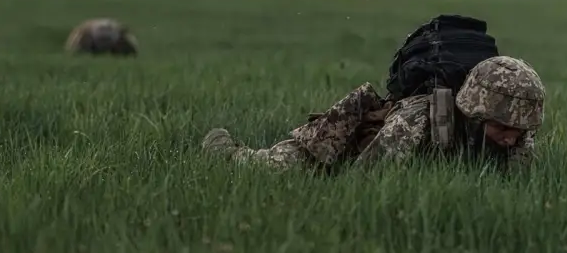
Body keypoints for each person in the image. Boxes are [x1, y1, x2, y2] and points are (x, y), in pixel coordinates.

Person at [202, 56, 545, 172]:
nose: (513, 137)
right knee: (269, 168)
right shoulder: (416, 121)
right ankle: (223, 150)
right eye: (504, 127)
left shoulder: (514, 132)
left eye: (520, 129)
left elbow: (520, 181)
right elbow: (364, 179)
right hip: (342, 152)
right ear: (477, 111)